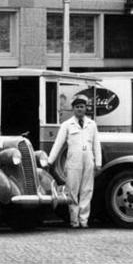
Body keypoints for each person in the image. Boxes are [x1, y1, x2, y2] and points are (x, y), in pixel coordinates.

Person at [48, 95, 102, 228]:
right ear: (73, 109)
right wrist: (50, 160)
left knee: (87, 190)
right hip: (73, 162)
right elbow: (58, 144)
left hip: (88, 160)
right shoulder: (67, 125)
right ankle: (74, 221)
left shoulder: (92, 124)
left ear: (85, 108)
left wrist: (98, 162)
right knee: (72, 190)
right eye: (77, 107)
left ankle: (84, 220)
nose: (80, 109)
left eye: (82, 107)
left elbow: (96, 144)